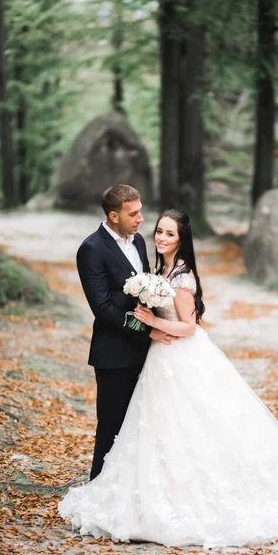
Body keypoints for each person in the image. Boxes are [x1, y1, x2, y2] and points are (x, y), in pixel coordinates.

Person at [59, 209, 278, 548]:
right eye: (159, 231)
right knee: (159, 424)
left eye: (169, 234)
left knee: (196, 421)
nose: (160, 238)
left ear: (182, 239)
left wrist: (152, 324)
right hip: (160, 359)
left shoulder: (183, 278)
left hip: (181, 355)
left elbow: (188, 327)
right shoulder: (160, 270)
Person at [76, 184, 173, 481]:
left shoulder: (139, 242)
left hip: (147, 353)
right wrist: (146, 331)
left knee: (143, 424)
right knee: (111, 426)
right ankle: (99, 488)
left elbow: (145, 292)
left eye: (141, 210)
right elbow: (103, 308)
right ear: (114, 215)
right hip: (113, 354)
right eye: (134, 213)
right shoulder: (91, 249)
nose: (142, 218)